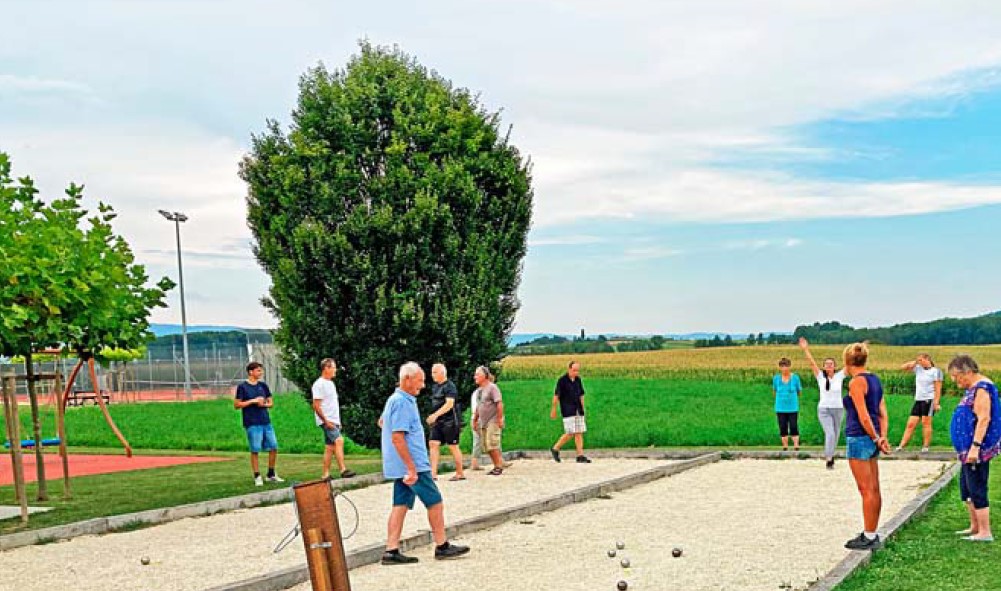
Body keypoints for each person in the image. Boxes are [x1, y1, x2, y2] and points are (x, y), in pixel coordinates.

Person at [379, 362, 470, 564]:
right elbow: (397, 437)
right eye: (419, 380)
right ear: (407, 379)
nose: (422, 385)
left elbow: (383, 422)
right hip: (414, 466)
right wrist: (411, 466)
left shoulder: (396, 400)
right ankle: (442, 545)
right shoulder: (401, 402)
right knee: (435, 501)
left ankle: (391, 550)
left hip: (403, 465)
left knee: (400, 504)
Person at [842, 342, 891, 550]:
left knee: (866, 490)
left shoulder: (856, 383)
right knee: (874, 488)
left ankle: (869, 535)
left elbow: (863, 415)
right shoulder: (874, 380)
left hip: (860, 437)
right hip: (872, 438)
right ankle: (871, 531)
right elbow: (882, 413)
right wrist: (882, 437)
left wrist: (875, 437)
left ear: (847, 361)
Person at [948, 354, 1001, 542]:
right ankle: (975, 526)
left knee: (977, 487)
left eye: (956, 376)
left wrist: (975, 447)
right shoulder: (974, 388)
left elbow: (984, 418)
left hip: (976, 450)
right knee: (967, 488)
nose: (955, 381)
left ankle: (985, 532)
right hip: (967, 449)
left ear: (968, 372)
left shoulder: (982, 389)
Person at [233, 361, 283, 486]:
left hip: (265, 421)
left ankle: (271, 474)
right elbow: (237, 405)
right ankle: (257, 475)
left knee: (274, 446)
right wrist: (253, 401)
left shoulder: (263, 386)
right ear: (251, 372)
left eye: (261, 370)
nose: (261, 373)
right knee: (255, 449)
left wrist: (264, 404)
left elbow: (270, 403)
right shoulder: (243, 387)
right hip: (252, 422)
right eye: (258, 370)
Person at [799, 338, 846, 469]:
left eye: (831, 364)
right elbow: (812, 363)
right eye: (827, 364)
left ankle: (831, 455)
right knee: (830, 433)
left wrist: (859, 350)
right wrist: (805, 349)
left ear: (835, 366)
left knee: (836, 435)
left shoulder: (840, 376)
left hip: (838, 409)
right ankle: (829, 458)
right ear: (824, 367)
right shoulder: (820, 377)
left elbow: (850, 364)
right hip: (824, 409)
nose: (829, 366)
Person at [311, 358, 356, 480]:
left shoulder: (330, 383)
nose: (335, 370)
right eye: (334, 367)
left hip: (333, 420)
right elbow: (316, 405)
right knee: (339, 440)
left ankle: (325, 474)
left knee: (330, 447)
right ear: (326, 368)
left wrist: (337, 422)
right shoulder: (319, 384)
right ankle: (343, 469)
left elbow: (332, 404)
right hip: (326, 420)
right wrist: (326, 421)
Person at [896, 354, 944, 453]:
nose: (920, 362)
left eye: (921, 360)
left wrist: (936, 402)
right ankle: (901, 446)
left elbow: (938, 388)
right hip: (918, 399)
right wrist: (915, 362)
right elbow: (903, 367)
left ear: (927, 360)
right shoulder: (918, 369)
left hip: (929, 399)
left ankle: (925, 446)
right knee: (911, 424)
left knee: (926, 422)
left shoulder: (936, 372)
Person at [427, 363, 466, 481]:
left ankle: (460, 473)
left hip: (450, 421)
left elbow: (449, 404)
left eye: (434, 372)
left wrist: (435, 415)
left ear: (442, 373)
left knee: (453, 446)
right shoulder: (435, 387)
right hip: (438, 421)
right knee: (433, 443)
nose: (432, 375)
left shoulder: (450, 386)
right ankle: (433, 473)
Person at [549, 361, 591, 463]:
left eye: (577, 370)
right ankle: (555, 448)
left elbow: (581, 394)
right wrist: (553, 409)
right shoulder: (562, 381)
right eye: (574, 370)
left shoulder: (578, 380)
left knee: (579, 432)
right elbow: (556, 396)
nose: (576, 372)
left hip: (578, 409)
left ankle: (580, 455)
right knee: (570, 433)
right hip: (568, 410)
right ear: (569, 369)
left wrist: (583, 408)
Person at [471, 366, 506, 475]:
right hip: (483, 421)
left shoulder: (492, 388)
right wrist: (475, 419)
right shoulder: (479, 391)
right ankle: (496, 465)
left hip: (493, 420)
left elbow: (499, 403)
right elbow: (478, 407)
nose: (475, 377)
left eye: (477, 374)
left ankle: (499, 466)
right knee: (486, 445)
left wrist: (500, 419)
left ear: (484, 376)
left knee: (492, 443)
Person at [772, 358, 803, 451]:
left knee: (793, 425)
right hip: (780, 407)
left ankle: (796, 445)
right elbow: (774, 391)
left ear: (789, 367)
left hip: (792, 407)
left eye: (786, 366)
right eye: (782, 366)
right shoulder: (776, 378)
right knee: (782, 426)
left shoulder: (795, 378)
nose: (784, 368)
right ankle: (785, 446)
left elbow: (799, 391)